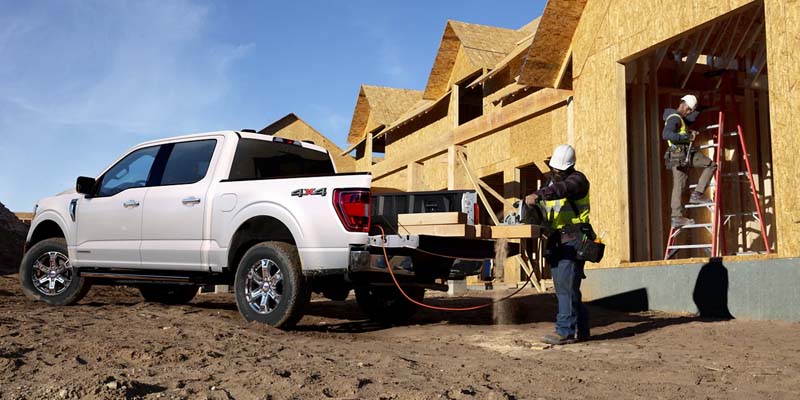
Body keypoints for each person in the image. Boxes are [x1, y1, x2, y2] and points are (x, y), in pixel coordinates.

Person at [525, 144, 591, 345]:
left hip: (573, 240)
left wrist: (538, 195)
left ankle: (565, 331)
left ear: (570, 167)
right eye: (554, 169)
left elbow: (563, 189)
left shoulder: (577, 181)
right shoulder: (551, 183)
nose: (556, 173)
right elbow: (546, 208)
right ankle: (581, 330)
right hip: (557, 242)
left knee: (565, 288)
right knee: (570, 288)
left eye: (560, 170)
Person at [663, 94, 717, 228]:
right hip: (682, 153)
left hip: (677, 156)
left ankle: (676, 217)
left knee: (679, 186)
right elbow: (666, 134)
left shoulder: (679, 118)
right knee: (711, 165)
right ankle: (697, 194)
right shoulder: (674, 118)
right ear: (683, 105)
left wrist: (701, 108)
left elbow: (689, 120)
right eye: (688, 110)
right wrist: (687, 136)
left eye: (691, 111)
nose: (689, 113)